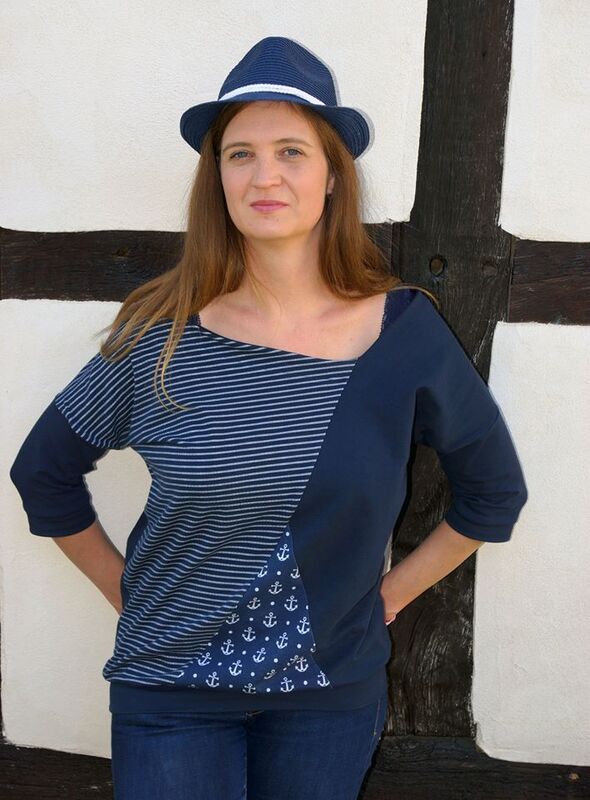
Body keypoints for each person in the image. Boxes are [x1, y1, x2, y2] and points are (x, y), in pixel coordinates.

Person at [9, 35, 528, 800]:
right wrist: (129, 594)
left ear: (332, 176)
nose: (265, 175)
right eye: (240, 154)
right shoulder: (161, 337)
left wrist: (386, 599)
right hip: (171, 694)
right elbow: (42, 474)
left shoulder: (403, 334)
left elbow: (493, 494)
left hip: (328, 700)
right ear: (216, 178)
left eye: (291, 151)